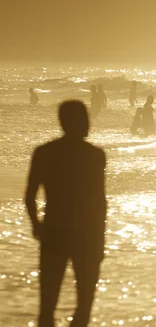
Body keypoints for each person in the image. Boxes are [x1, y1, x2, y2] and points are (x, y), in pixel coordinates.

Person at [24, 100, 107, 327]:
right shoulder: (95, 155)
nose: (88, 123)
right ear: (75, 122)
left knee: (48, 302)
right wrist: (100, 239)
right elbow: (99, 201)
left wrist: (36, 225)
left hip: (54, 231)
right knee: (85, 300)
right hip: (86, 235)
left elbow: (30, 196)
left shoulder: (44, 152)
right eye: (84, 118)